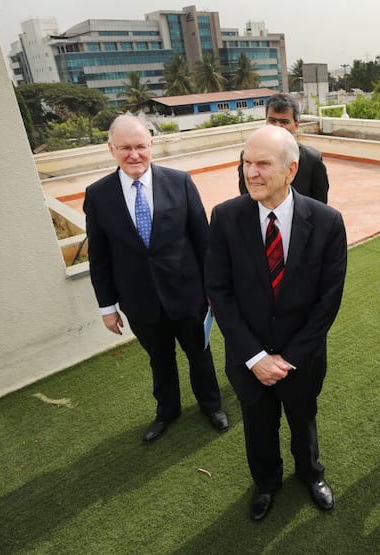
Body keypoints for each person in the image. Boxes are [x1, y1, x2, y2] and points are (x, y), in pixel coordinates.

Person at [206, 125, 347, 521]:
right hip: (248, 360)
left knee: (303, 420)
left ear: (291, 170)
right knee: (258, 426)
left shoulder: (327, 222)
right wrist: (255, 358)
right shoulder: (225, 217)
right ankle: (266, 483)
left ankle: (311, 474)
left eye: (263, 164)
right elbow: (219, 292)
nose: (251, 172)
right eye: (246, 163)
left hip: (301, 359)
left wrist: (289, 358)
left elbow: (328, 301)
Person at [83, 114, 229, 443]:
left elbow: (203, 241)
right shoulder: (98, 195)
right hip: (139, 300)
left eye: (140, 146)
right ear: (111, 149)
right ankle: (167, 412)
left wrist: (213, 290)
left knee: (200, 354)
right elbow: (99, 257)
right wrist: (107, 307)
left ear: (151, 145)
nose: (133, 154)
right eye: (125, 148)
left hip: (188, 294)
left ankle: (212, 405)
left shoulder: (180, 182)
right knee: (159, 360)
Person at [237, 92, 329, 203]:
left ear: (296, 125)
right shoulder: (248, 157)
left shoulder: (312, 160)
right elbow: (247, 200)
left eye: (284, 122)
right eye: (272, 121)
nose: (277, 127)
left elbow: (319, 205)